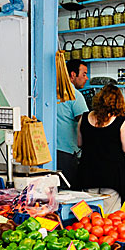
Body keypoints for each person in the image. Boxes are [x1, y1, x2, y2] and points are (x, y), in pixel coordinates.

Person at [77, 84, 125, 214]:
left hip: (88, 174)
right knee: (108, 217)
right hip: (111, 176)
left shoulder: (84, 118)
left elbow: (79, 143)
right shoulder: (120, 121)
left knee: (87, 215)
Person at [56, 59, 89, 188]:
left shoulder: (53, 92)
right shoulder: (75, 95)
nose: (86, 78)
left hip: (52, 151)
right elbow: (85, 123)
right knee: (70, 192)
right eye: (84, 74)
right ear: (73, 75)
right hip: (68, 153)